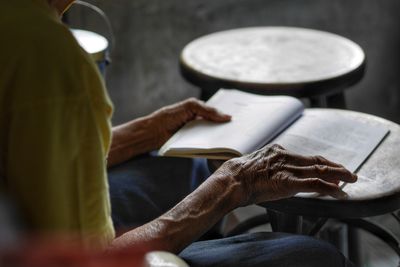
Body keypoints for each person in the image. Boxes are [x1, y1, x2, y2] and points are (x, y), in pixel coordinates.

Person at [0, 0, 357, 266]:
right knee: (315, 256)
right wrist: (233, 185)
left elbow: (22, 158)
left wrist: (145, 132)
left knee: (185, 167)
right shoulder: (48, 57)